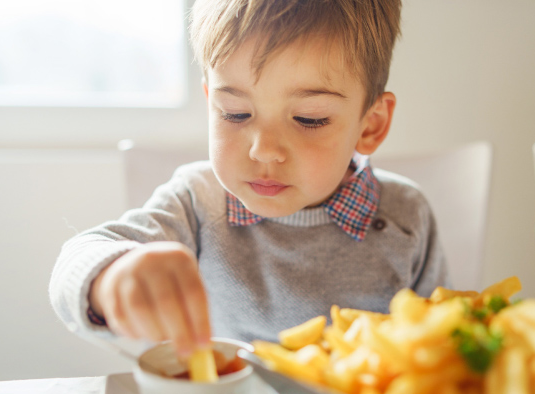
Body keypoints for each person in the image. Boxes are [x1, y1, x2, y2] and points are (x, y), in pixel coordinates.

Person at [49, 0, 448, 359]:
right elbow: (80, 257)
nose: (263, 150)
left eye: (309, 119)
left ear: (370, 125)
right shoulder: (197, 201)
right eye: (235, 113)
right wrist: (111, 274)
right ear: (210, 103)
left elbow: (439, 343)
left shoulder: (406, 216)